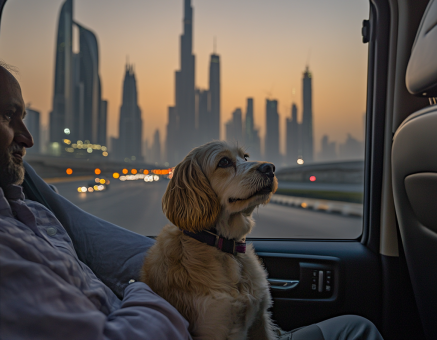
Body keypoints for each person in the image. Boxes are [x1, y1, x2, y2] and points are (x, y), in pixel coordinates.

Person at [0, 61, 384, 340]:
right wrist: (141, 288)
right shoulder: (8, 245)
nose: (28, 138)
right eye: (7, 116)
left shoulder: (31, 212)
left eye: (244, 161)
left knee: (357, 325)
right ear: (198, 187)